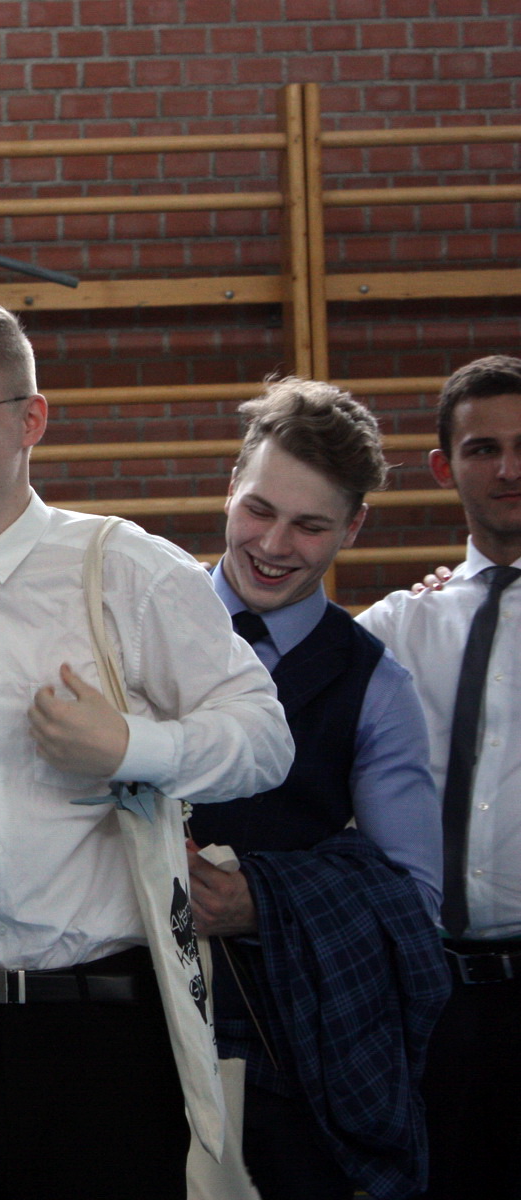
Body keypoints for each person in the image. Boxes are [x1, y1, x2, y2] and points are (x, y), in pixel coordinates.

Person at [0, 299, 293, 1200]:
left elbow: (265, 737)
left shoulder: (124, 567)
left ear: (30, 419)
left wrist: (136, 745)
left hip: (106, 1035)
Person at [184, 379, 445, 1200]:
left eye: (310, 525)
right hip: (117, 1019)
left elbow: (415, 903)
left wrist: (265, 901)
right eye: (259, 509)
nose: (273, 544)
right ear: (231, 485)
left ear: (353, 527)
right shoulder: (135, 618)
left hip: (283, 1048)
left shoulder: (377, 685)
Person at [357, 354, 521, 1200]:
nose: (509, 469)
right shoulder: (396, 629)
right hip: (432, 997)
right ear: (443, 467)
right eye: (483, 449)